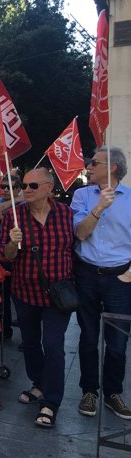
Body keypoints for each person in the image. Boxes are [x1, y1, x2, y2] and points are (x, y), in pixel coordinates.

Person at [0, 168, 74, 428]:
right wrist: (12, 242)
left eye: (32, 186)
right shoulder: (13, 216)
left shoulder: (66, 214)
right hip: (25, 292)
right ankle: (39, 384)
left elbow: (76, 246)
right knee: (30, 344)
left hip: (58, 295)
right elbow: (6, 256)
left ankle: (51, 402)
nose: (26, 191)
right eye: (23, 186)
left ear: (48, 188)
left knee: (53, 346)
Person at [72, 147, 131, 420]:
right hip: (87, 274)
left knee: (117, 341)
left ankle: (113, 393)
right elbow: (81, 233)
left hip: (120, 278)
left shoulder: (130, 199)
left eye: (94, 163)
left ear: (114, 168)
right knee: (87, 338)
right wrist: (99, 208)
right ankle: (89, 391)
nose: (88, 166)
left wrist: (129, 274)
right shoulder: (82, 195)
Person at [0, 174, 24, 339]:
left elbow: (4, 219)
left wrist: (20, 200)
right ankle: (5, 330)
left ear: (18, 188)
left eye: (10, 187)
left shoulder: (25, 204)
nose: (5, 190)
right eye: (3, 187)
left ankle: (26, 336)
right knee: (2, 298)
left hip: (18, 259)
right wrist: (16, 200)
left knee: (20, 300)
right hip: (0, 258)